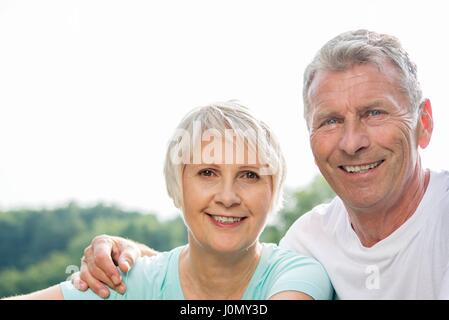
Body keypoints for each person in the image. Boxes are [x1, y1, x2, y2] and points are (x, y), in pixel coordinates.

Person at [74, 30, 449, 299]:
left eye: (375, 113)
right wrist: (134, 260)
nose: (353, 142)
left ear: (424, 123)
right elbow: (223, 279)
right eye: (330, 120)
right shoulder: (309, 242)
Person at [4, 101, 333, 300]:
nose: (228, 197)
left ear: (274, 192)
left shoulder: (297, 275)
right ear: (176, 187)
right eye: (207, 172)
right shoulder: (128, 279)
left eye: (249, 175)